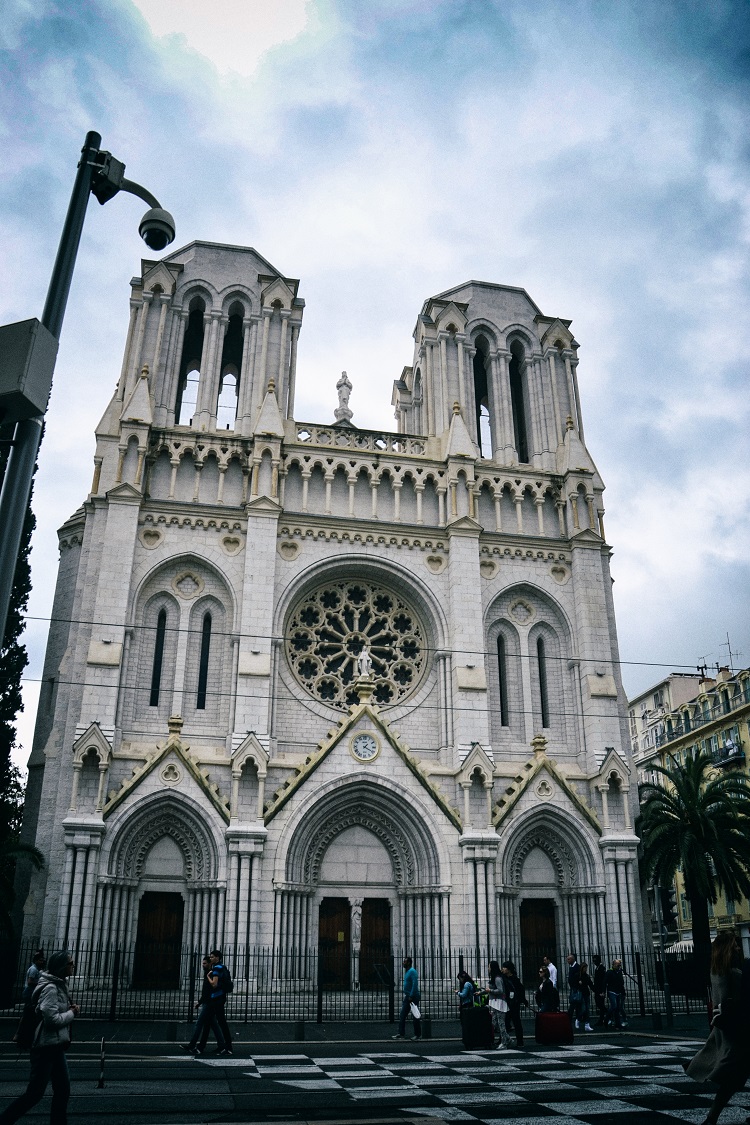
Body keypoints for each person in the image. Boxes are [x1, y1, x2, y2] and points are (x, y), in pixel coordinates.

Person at [0, 950, 78, 1125]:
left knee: (63, 1090)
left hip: (55, 1045)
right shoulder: (51, 988)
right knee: (34, 1094)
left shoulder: (59, 985)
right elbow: (51, 1020)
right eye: (70, 963)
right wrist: (72, 1013)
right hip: (45, 1047)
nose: (73, 966)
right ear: (61, 967)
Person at [685, 932, 750, 1125]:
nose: (738, 947)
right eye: (735, 944)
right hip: (738, 1027)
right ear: (728, 948)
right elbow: (737, 1000)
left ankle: (712, 1117)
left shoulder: (716, 970)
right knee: (734, 1077)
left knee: (734, 1077)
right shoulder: (733, 972)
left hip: (724, 1025)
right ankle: (711, 1117)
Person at [182, 956, 226, 1056]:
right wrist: (200, 1002)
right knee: (214, 1025)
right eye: (202, 963)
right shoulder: (208, 973)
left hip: (209, 1003)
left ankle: (192, 1045)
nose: (203, 965)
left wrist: (201, 1002)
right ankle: (222, 1045)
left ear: (210, 964)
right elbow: (206, 991)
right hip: (208, 1002)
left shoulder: (211, 973)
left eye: (205, 963)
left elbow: (210, 989)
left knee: (199, 1023)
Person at [207, 950, 233, 1056]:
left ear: (217, 957)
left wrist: (208, 977)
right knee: (213, 1021)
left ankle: (228, 1047)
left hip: (217, 997)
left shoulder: (217, 968)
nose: (210, 958)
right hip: (220, 996)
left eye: (212, 957)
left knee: (221, 1022)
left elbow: (214, 984)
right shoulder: (222, 967)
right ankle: (222, 1046)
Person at [392, 957, 421, 1040]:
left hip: (413, 997)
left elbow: (415, 984)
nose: (403, 963)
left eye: (404, 962)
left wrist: (411, 995)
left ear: (409, 963)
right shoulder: (408, 972)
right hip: (408, 996)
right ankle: (401, 1034)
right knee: (402, 1015)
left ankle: (417, 1035)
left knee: (415, 1016)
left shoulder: (412, 971)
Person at [485, 960, 510, 1050]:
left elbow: (500, 990)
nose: (488, 968)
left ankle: (504, 1043)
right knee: (495, 1023)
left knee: (501, 1023)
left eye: (489, 967)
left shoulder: (497, 979)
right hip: (496, 1003)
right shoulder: (495, 978)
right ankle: (507, 1038)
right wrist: (481, 992)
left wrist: (490, 991)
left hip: (500, 1003)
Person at [501, 960, 525, 1047]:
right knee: (505, 1022)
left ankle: (520, 1041)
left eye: (504, 967)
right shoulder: (503, 978)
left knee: (516, 1022)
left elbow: (520, 990)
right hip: (506, 1002)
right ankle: (503, 1039)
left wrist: (521, 1000)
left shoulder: (515, 979)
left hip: (514, 1003)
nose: (502, 969)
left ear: (509, 969)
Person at [605, 958, 626, 1030]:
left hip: (618, 991)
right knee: (614, 1006)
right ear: (613, 965)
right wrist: (603, 991)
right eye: (618, 965)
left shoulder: (619, 972)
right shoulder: (609, 972)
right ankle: (607, 1018)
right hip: (611, 991)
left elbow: (621, 982)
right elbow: (605, 982)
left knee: (617, 1008)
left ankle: (618, 1024)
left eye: (620, 965)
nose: (619, 967)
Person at [567, 953, 584, 1028]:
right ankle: (576, 1019)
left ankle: (572, 1019)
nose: (567, 961)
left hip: (576, 989)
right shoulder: (571, 966)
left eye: (569, 959)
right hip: (573, 988)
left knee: (574, 1004)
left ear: (573, 959)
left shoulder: (577, 967)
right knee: (576, 1005)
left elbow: (579, 977)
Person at [578, 962, 594, 1032]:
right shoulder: (578, 976)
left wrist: (596, 991)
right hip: (581, 994)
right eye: (585, 968)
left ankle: (587, 1024)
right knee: (584, 1009)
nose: (586, 969)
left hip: (586, 993)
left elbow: (591, 984)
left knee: (587, 1010)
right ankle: (578, 1018)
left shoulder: (587, 976)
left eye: (586, 968)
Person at [592, 954, 607, 1026]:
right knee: (599, 1004)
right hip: (597, 990)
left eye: (595, 960)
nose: (594, 962)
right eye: (593, 961)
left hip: (600, 990)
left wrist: (603, 991)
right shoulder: (597, 968)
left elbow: (603, 981)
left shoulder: (602, 968)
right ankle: (602, 1019)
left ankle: (607, 1015)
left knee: (600, 1004)